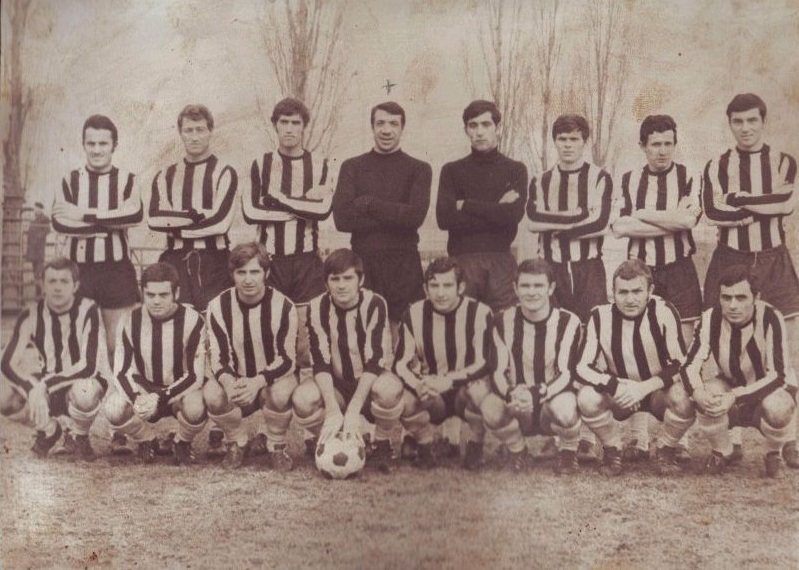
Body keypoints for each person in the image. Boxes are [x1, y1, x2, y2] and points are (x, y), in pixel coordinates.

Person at [701, 93, 799, 467]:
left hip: (774, 257)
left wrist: (739, 200)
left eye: (752, 120)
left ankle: (788, 436)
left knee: (788, 347)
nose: (745, 128)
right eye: (738, 121)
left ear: (763, 121)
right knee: (727, 344)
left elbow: (785, 204)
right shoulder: (718, 164)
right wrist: (761, 203)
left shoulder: (783, 162)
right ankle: (734, 438)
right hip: (730, 257)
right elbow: (712, 211)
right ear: (730, 124)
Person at [611, 114, 702, 462]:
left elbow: (688, 220)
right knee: (636, 349)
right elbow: (620, 226)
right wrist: (671, 220)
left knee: (682, 351)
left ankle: (679, 439)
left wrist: (643, 213)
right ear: (643, 146)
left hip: (680, 270)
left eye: (668, 143)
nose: (662, 151)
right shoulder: (627, 179)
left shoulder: (689, 176)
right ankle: (638, 438)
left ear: (674, 144)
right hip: (640, 271)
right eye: (655, 144)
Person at [525, 113, 613, 460]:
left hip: (589, 268)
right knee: (554, 343)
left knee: (590, 345)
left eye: (574, 139)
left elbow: (601, 223)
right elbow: (533, 222)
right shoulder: (541, 180)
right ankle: (561, 428)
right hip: (553, 269)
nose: (568, 145)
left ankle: (588, 435)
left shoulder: (599, 177)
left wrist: (556, 224)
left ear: (584, 141)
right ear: (554, 142)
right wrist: (577, 216)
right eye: (562, 139)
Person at [243, 97, 334, 385]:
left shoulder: (319, 165)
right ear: (275, 125)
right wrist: (302, 205)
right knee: (271, 330)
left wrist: (279, 200)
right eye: (284, 122)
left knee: (306, 337)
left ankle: (306, 397)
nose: (290, 129)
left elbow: (323, 210)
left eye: (296, 123)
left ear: (304, 126)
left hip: (306, 260)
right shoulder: (261, 164)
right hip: (271, 260)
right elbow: (250, 212)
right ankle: (272, 397)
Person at [576, 259, 695, 476]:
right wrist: (615, 385)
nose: (630, 299)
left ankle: (666, 449)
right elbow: (583, 366)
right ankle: (613, 449)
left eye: (637, 291)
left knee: (684, 396)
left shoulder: (664, 310)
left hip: (657, 392)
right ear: (613, 293)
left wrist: (643, 388)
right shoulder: (599, 316)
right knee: (587, 397)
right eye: (623, 292)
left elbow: (680, 364)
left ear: (650, 290)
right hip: (621, 394)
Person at [291, 249, 403, 472]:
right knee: (303, 399)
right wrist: (333, 409)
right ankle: (334, 438)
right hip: (336, 385)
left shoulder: (375, 303)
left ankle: (381, 442)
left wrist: (353, 410)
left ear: (360, 280)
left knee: (390, 390)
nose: (341, 285)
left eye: (348, 278)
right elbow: (320, 361)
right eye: (335, 279)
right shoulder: (317, 306)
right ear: (326, 283)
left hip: (369, 380)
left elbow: (374, 361)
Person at [681, 265, 797, 478]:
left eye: (741, 297)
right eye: (726, 297)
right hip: (731, 381)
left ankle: (773, 452)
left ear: (756, 297)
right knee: (707, 393)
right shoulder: (710, 318)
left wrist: (734, 396)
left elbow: (777, 376)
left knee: (778, 407)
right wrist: (698, 392)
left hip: (769, 386)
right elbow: (690, 365)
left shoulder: (771, 317)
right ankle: (723, 451)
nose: (732, 305)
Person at [333, 101, 432, 342]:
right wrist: (397, 215)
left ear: (402, 128)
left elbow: (415, 217)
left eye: (393, 124)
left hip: (404, 265)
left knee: (404, 340)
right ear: (372, 126)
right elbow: (342, 219)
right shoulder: (352, 167)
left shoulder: (419, 169)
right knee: (365, 336)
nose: (386, 130)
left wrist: (370, 204)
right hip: (364, 263)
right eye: (380, 123)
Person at [480, 259, 583, 473]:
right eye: (525, 286)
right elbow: (497, 370)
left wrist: (535, 394)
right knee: (489, 407)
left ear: (551, 288)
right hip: (518, 403)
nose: (532, 292)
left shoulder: (568, 321)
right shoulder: (501, 321)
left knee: (566, 410)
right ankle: (519, 451)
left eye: (538, 285)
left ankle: (568, 451)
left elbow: (566, 373)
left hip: (550, 401)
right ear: (515, 288)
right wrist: (511, 394)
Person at [51, 114, 142, 357]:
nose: (97, 150)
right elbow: (60, 223)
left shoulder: (127, 180)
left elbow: (134, 216)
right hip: (77, 270)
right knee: (78, 344)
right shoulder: (69, 181)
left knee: (117, 344)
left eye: (103, 143)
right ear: (83, 144)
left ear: (114, 145)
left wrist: (82, 214)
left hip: (116, 269)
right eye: (91, 143)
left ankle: (117, 383)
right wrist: (107, 225)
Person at [0, 258, 109, 460]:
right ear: (42, 284)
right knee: (3, 396)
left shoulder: (88, 309)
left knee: (84, 393)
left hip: (81, 381)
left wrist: (44, 386)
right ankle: (50, 428)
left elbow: (88, 366)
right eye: (52, 281)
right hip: (48, 383)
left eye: (64, 281)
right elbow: (7, 363)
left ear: (75, 285)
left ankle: (79, 435)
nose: (57, 287)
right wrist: (31, 388)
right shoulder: (31, 314)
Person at [392, 257, 494, 470]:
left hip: (464, 390)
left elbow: (485, 362)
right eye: (434, 285)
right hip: (431, 393)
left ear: (461, 287)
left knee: (480, 390)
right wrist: (418, 385)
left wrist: (449, 380)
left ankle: (475, 446)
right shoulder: (413, 313)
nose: (440, 293)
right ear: (425, 289)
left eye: (447, 285)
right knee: (403, 397)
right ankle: (424, 446)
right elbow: (400, 364)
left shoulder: (480, 313)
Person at [203, 242, 298, 470]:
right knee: (212, 394)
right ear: (232, 275)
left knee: (282, 391)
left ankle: (276, 444)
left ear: (266, 273)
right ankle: (237, 441)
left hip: (268, 381)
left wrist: (257, 382)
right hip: (235, 380)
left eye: (255, 272)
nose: (248, 280)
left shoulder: (284, 306)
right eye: (241, 272)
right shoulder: (217, 306)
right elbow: (218, 356)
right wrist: (229, 383)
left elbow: (287, 359)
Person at [103, 263, 207, 466]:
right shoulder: (130, 320)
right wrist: (137, 398)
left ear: (176, 293)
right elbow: (122, 371)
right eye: (150, 295)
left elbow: (195, 375)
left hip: (178, 391)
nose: (156, 301)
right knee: (113, 409)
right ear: (142, 293)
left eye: (163, 295)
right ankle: (146, 439)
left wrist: (160, 397)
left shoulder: (193, 320)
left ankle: (182, 441)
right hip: (144, 389)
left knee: (196, 407)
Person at [436, 100, 528, 313]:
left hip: (501, 262)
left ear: (497, 127)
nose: (479, 132)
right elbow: (445, 219)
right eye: (473, 125)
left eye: (486, 124)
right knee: (463, 326)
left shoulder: (515, 169)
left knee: (504, 326)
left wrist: (467, 205)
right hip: (462, 262)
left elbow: (512, 215)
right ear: (466, 130)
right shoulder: (452, 170)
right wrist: (497, 208)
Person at [148, 104, 237, 312]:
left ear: (210, 131)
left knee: (215, 320)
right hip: (175, 261)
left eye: (200, 130)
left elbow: (220, 223)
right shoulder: (165, 176)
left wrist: (176, 228)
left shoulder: (224, 172)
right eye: (188, 130)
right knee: (179, 322)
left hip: (215, 262)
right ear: (180, 133)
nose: (194, 137)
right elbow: (154, 219)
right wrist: (194, 217)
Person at [26, 201, 50, 296]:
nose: (35, 210)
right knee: (35, 270)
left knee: (39, 271)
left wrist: (39, 236)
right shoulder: (33, 220)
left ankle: (40, 292)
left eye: (37, 208)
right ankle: (38, 291)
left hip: (39, 249)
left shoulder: (44, 218)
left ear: (41, 209)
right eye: (35, 208)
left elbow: (47, 229)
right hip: (32, 250)